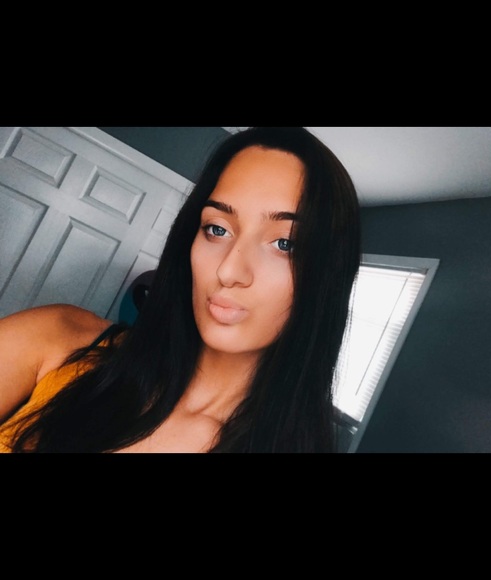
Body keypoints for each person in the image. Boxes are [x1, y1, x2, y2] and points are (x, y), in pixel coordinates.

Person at [0, 127, 361, 453]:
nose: (228, 270)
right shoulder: (56, 338)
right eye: (217, 229)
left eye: (285, 244)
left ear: (327, 278)